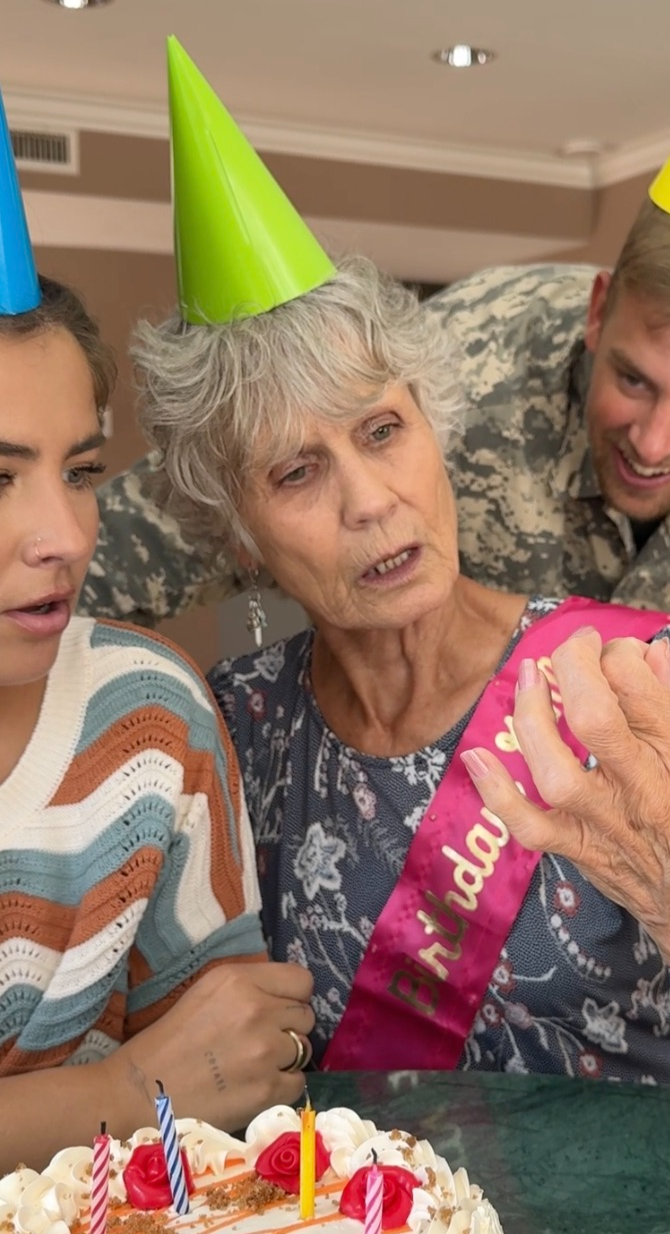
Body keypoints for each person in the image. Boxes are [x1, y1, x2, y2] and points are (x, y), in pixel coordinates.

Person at [122, 39, 670, 1160]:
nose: (371, 502)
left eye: (381, 430)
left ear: (432, 422)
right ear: (238, 536)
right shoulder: (232, 728)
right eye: (296, 472)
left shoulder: (639, 683)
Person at [0, 91, 314, 1173]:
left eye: (82, 471)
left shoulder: (149, 712)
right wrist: (123, 1088)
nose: (63, 535)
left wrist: (182, 1086)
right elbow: (171, 1080)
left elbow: (236, 1062)